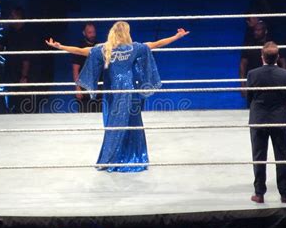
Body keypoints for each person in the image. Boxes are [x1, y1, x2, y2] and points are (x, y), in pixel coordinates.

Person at [46, 21, 189, 172]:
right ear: (126, 33)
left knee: (114, 124)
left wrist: (60, 47)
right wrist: (176, 36)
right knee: (131, 123)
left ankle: (112, 158)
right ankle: (132, 156)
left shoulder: (105, 48)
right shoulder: (133, 48)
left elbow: (82, 51)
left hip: (114, 92)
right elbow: (156, 43)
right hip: (129, 91)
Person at [247, 42, 286, 203]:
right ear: (278, 57)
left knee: (259, 157)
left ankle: (259, 193)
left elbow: (249, 97)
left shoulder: (253, 74)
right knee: (282, 156)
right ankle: (285, 194)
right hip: (279, 119)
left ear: (262, 57)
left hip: (259, 119)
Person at [71, 22, 101, 112]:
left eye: (93, 32)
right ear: (84, 33)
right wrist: (77, 87)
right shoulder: (79, 47)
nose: (92, 35)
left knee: (98, 113)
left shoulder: (99, 46)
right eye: (89, 32)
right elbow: (75, 69)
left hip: (97, 85)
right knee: (84, 113)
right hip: (83, 86)